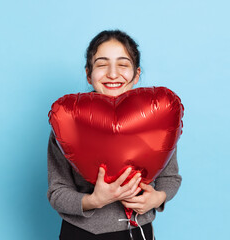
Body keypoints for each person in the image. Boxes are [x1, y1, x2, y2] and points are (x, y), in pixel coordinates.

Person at [47, 30, 182, 240]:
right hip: (81, 234)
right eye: (102, 64)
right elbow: (57, 191)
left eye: (123, 64)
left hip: (137, 231)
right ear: (88, 74)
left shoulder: (157, 117)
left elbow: (170, 178)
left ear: (136, 74)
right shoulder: (68, 119)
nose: (112, 73)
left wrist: (157, 199)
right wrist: (94, 201)